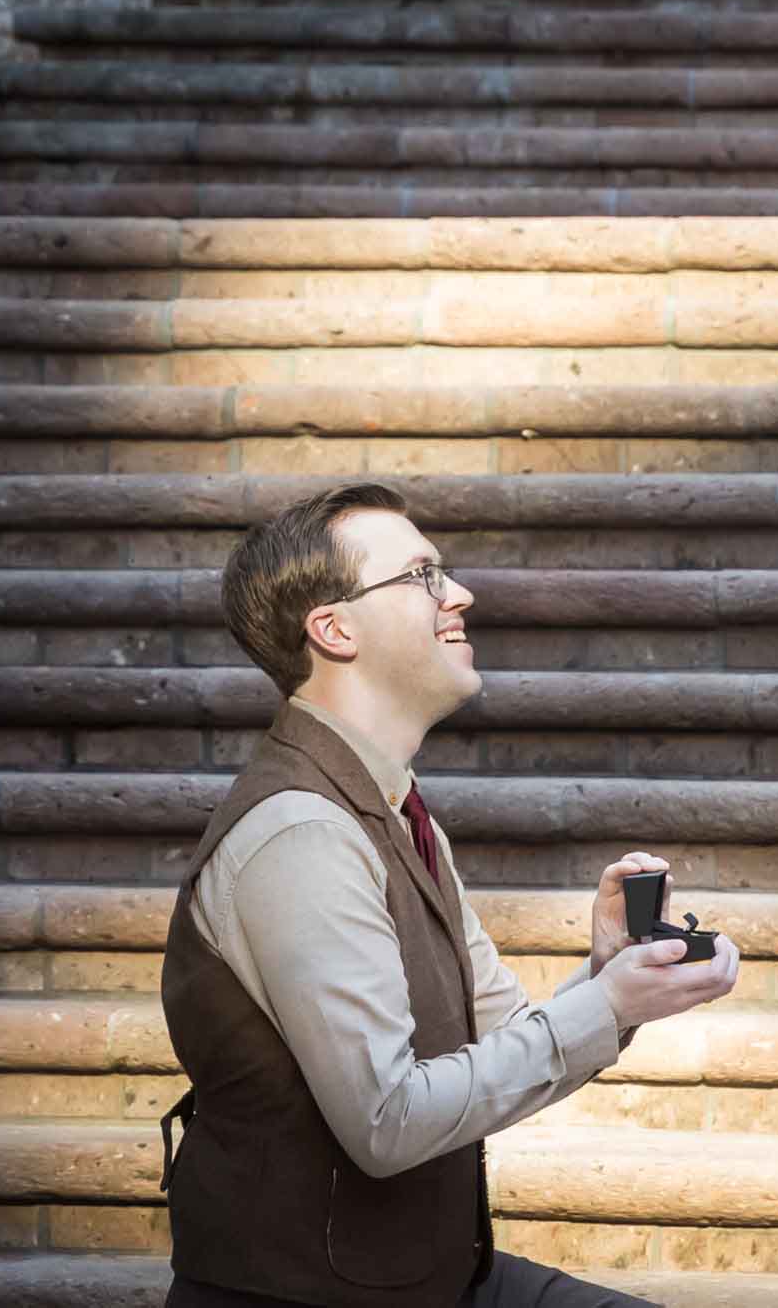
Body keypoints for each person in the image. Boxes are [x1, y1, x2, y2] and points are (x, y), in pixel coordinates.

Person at [158, 482, 740, 1307]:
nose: (459, 593)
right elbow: (388, 1121)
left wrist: (612, 977)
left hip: (432, 1281)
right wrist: (608, 1002)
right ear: (334, 629)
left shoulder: (396, 806)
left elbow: (503, 1038)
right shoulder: (302, 832)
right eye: (422, 576)